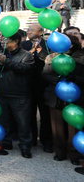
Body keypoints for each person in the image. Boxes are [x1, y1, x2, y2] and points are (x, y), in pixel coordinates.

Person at [42, 35, 84, 164]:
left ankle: (74, 154)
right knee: (57, 126)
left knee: (74, 126)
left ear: (70, 45)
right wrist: (60, 80)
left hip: (75, 97)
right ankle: (60, 152)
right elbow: (46, 74)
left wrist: (70, 77)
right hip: (56, 97)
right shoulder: (52, 57)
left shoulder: (80, 58)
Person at [0, 33, 35, 158]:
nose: (4, 42)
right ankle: (6, 142)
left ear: (16, 41)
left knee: (23, 123)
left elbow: (23, 68)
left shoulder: (26, 55)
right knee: (4, 121)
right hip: (3, 93)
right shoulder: (2, 53)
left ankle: (25, 147)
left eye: (7, 39)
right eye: (3, 39)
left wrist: (5, 61)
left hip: (20, 95)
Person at [21, 24, 52, 152]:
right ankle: (31, 139)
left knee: (45, 115)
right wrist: (30, 53)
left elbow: (51, 61)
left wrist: (41, 53)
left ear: (40, 32)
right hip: (27, 84)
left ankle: (46, 141)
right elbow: (20, 60)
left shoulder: (48, 45)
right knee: (29, 113)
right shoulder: (24, 45)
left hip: (43, 84)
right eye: (28, 30)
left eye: (31, 30)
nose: (28, 32)